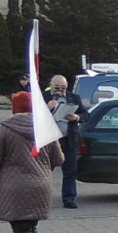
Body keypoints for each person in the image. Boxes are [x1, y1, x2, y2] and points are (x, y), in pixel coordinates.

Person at [0, 91, 64, 233]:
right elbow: (59, 159)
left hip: (15, 184)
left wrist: (2, 167)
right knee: (31, 226)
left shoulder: (5, 128)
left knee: (20, 227)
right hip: (41, 183)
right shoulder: (46, 128)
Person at [43, 74, 88, 209]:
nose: (60, 90)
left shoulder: (73, 98)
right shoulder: (43, 97)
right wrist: (47, 107)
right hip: (49, 139)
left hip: (68, 138)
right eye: (57, 87)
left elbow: (86, 114)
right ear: (50, 85)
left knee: (70, 171)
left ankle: (69, 198)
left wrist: (76, 117)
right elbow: (32, 116)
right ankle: (44, 198)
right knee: (45, 171)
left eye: (63, 88)